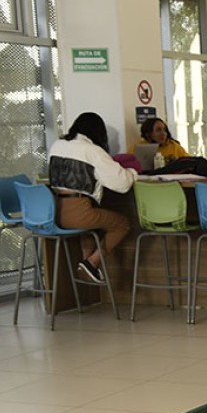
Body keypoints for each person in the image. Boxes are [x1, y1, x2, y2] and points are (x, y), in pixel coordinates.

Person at [47, 112, 137, 284]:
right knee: (122, 224)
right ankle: (91, 263)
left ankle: (87, 269)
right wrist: (132, 173)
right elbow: (122, 184)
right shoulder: (93, 151)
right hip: (79, 212)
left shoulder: (57, 145)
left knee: (92, 230)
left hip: (53, 212)